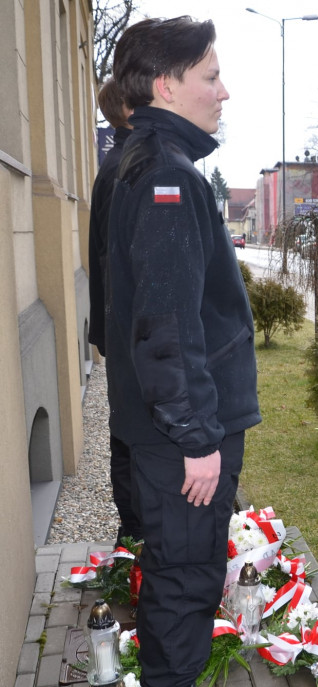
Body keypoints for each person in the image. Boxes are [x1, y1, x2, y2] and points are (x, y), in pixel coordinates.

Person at [106, 17, 266, 687]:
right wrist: (196, 436)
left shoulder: (147, 160)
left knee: (186, 564)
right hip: (183, 436)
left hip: (170, 427)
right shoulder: (167, 173)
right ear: (166, 84)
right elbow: (165, 323)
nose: (223, 89)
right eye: (210, 74)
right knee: (184, 571)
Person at [87, 79, 141, 546]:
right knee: (130, 434)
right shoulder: (127, 165)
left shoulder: (117, 161)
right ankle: (136, 531)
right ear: (126, 109)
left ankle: (134, 530)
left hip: (119, 325)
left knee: (126, 429)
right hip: (129, 328)